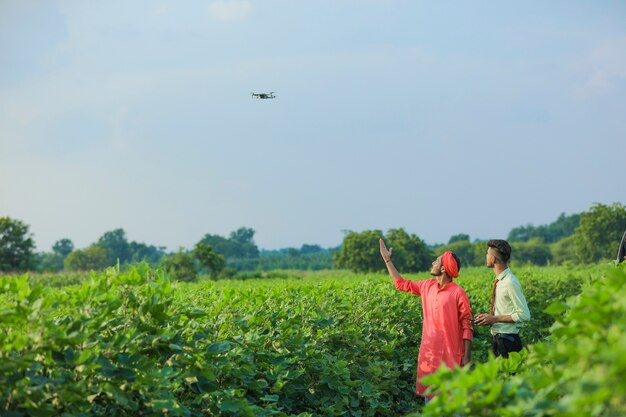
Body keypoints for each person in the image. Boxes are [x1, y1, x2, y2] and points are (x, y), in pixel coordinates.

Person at [379, 239, 473, 401]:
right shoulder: (427, 286)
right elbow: (401, 284)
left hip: (453, 356)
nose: (432, 263)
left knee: (455, 403)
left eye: (436, 261)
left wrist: (467, 356)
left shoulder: (458, 293)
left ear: (443, 268)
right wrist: (387, 260)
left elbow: (467, 324)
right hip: (429, 356)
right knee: (430, 402)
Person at [474, 239, 531, 358]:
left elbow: (524, 315)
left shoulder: (510, 282)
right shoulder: (500, 281)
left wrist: (494, 319)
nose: (486, 256)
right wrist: (487, 318)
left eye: (488, 254)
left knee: (509, 376)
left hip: (508, 341)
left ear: (493, 259)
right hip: (498, 340)